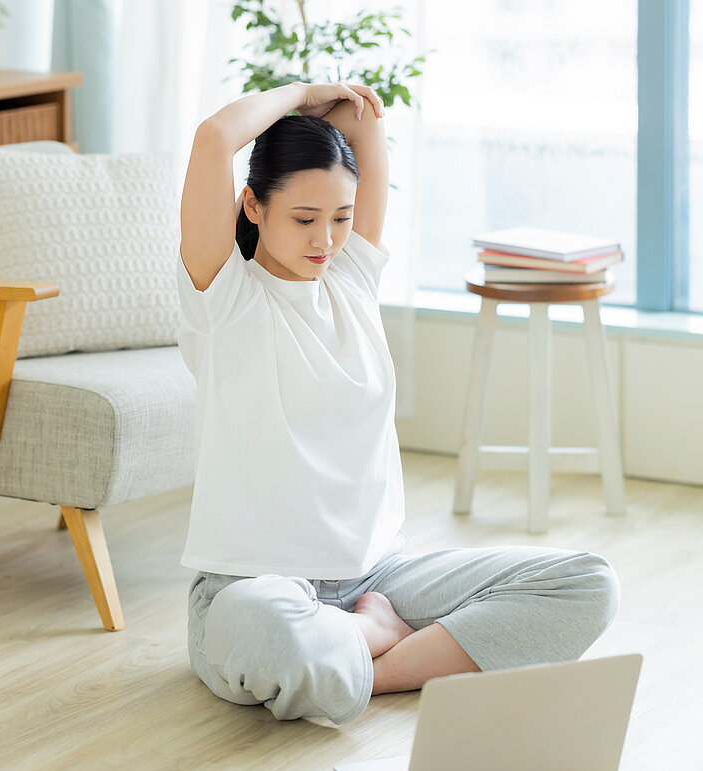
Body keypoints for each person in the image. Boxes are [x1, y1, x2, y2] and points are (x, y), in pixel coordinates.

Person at [177, 81, 619, 725]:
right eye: (304, 219)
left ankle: (365, 663)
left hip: (378, 577)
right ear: (252, 206)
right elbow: (214, 139)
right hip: (257, 586)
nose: (325, 240)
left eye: (342, 218)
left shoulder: (351, 281)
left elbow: (365, 128)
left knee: (587, 584)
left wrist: (347, 115)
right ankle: (383, 646)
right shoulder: (224, 301)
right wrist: (302, 92)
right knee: (259, 631)